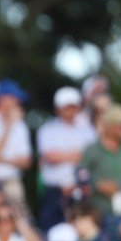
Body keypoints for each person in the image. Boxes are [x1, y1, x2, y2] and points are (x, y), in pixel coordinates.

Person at [36, 87, 96, 231]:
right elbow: (50, 157)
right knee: (51, 230)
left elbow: (90, 157)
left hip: (80, 190)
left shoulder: (87, 131)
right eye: (66, 107)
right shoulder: (47, 129)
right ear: (58, 108)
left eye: (73, 106)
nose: (70, 111)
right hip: (55, 191)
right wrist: (76, 155)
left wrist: (62, 155)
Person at [79, 104, 121, 216]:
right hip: (98, 210)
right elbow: (81, 175)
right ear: (109, 126)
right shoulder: (92, 150)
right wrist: (97, 184)